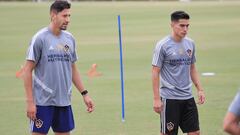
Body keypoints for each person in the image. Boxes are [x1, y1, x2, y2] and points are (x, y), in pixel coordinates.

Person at [22, 1, 94, 135]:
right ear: (53, 15)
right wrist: (30, 102)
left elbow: (72, 67)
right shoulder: (40, 38)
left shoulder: (69, 39)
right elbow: (26, 71)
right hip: (42, 103)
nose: (68, 20)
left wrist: (85, 94)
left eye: (69, 16)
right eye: (64, 16)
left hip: (64, 102)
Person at [152, 11, 205, 135]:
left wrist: (200, 89)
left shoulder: (190, 43)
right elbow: (155, 72)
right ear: (172, 24)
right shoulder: (163, 45)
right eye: (182, 25)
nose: (185, 29)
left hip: (188, 97)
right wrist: (156, 99)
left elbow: (192, 68)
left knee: (195, 133)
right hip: (170, 99)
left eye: (187, 26)